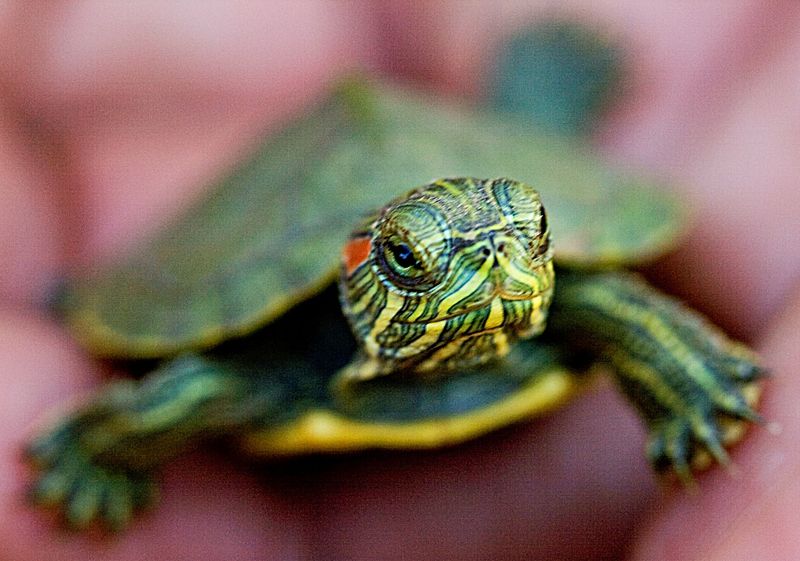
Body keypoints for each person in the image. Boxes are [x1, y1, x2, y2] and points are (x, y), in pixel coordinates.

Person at [0, 2, 797, 560]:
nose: (496, 267)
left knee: (556, 236)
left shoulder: (562, 297)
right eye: (415, 261)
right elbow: (193, 385)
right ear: (359, 275)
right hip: (286, 208)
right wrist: (105, 446)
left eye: (531, 239)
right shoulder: (264, 373)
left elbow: (611, 303)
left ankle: (527, 113)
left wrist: (689, 383)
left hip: (477, 155)